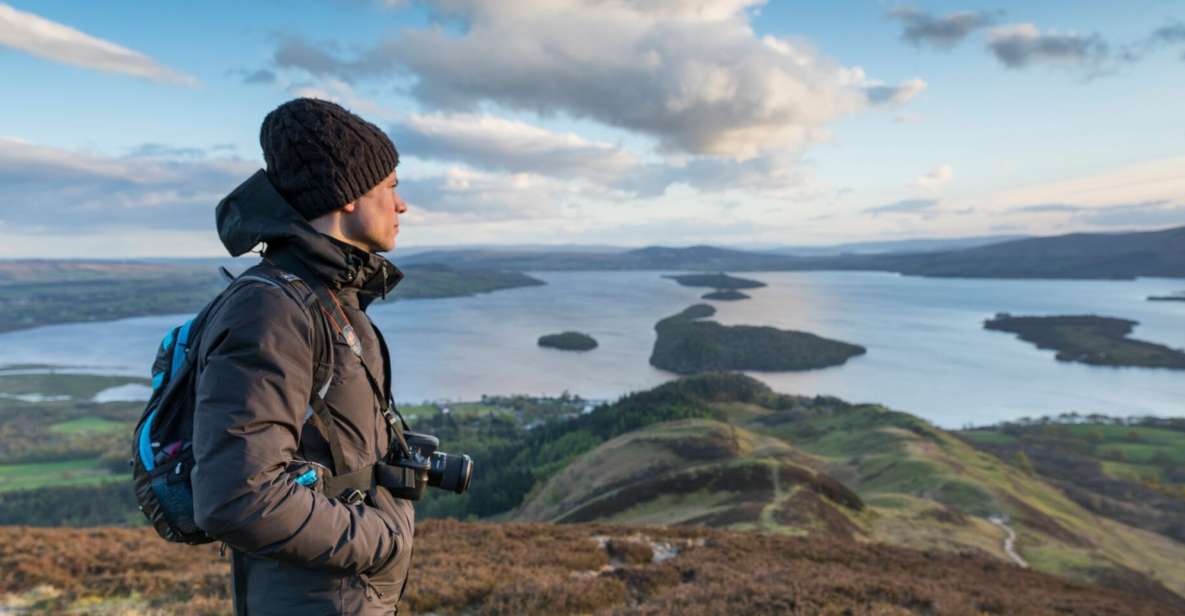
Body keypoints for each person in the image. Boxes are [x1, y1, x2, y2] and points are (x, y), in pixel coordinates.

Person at [190, 97, 413, 615]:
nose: (402, 206)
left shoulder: (326, 295)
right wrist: (383, 541)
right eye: (392, 187)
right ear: (352, 196)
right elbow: (238, 498)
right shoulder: (272, 307)